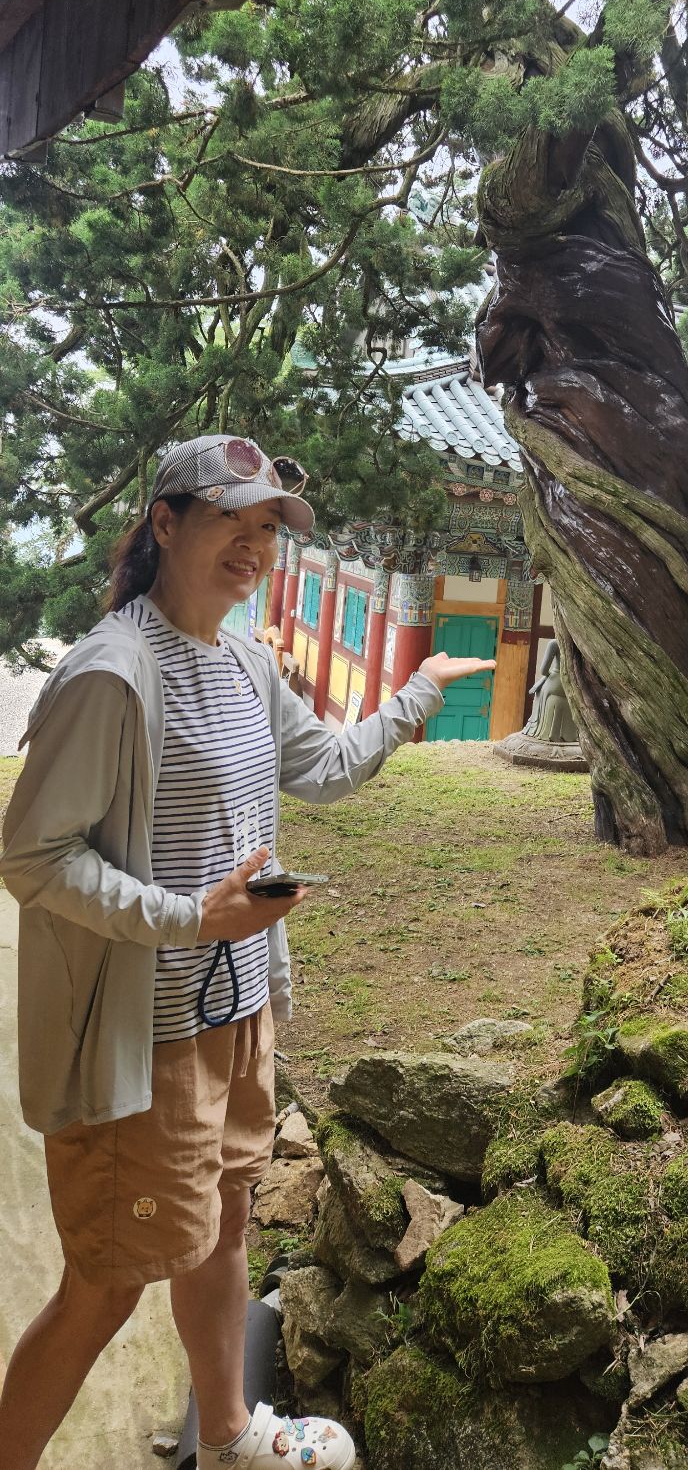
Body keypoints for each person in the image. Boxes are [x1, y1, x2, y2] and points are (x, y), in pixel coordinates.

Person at [0, 435, 495, 1470]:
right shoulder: (110, 674)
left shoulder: (245, 662)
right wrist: (191, 916)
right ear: (165, 522)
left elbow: (324, 765)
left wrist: (414, 695)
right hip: (145, 1040)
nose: (255, 543)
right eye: (231, 517)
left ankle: (227, 1434)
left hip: (239, 1012)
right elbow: (33, 855)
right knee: (106, 1285)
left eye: (269, 527)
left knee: (224, 1226)